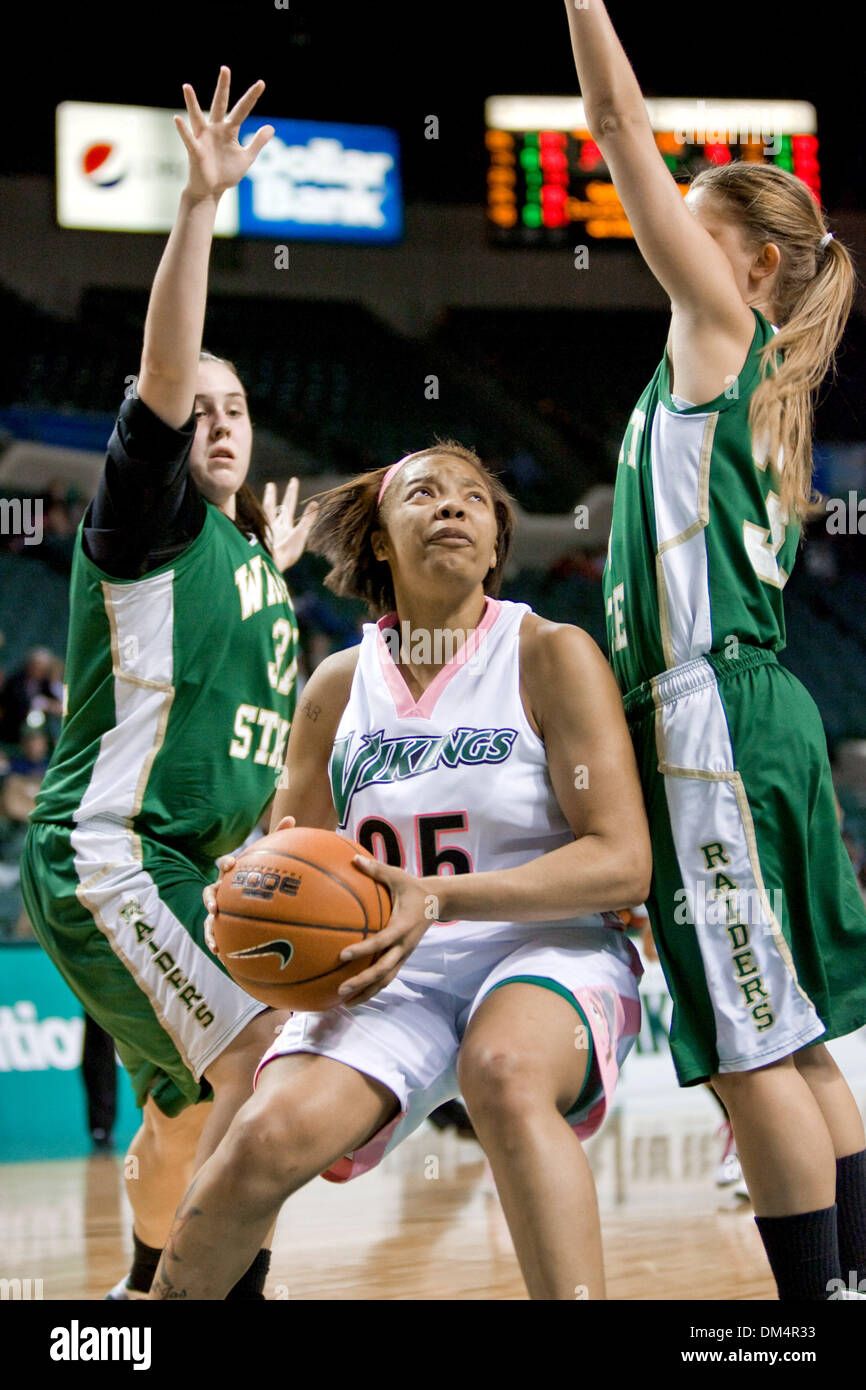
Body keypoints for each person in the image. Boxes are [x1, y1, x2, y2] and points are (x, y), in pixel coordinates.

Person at [149, 440, 652, 1301]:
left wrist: (440, 897)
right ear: (381, 537)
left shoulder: (551, 653)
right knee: (263, 1139)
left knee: (504, 1070)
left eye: (473, 498)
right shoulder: (337, 687)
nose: (451, 506)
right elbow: (291, 852)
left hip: (545, 951)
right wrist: (246, 893)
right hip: (385, 966)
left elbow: (623, 862)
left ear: (498, 543)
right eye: (422, 493)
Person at [563, 1, 866, 1300]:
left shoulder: (717, 334)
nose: (666, 231)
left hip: (712, 721)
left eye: (692, 219)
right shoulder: (757, 375)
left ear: (743, 263)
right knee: (792, 1044)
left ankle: (814, 1310)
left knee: (748, 1049)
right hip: (754, 712)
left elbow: (615, 121)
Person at [19, 67, 318, 1301]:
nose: (220, 416)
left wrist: (278, 572)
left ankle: (136, 1298)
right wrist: (198, 208)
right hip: (111, 854)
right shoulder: (146, 523)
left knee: (188, 1114)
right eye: (200, 405)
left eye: (240, 406)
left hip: (195, 877)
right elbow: (164, 376)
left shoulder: (257, 570)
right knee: (258, 1065)